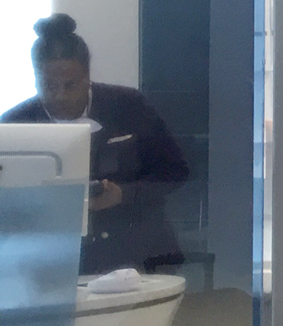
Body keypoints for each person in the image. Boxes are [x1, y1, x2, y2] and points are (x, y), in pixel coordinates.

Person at [1, 14, 188, 274]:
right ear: (34, 77)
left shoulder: (129, 106)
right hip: (49, 262)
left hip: (139, 253)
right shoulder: (13, 124)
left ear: (88, 76)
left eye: (70, 84)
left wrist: (124, 194)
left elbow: (176, 172)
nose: (60, 95)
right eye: (48, 85)